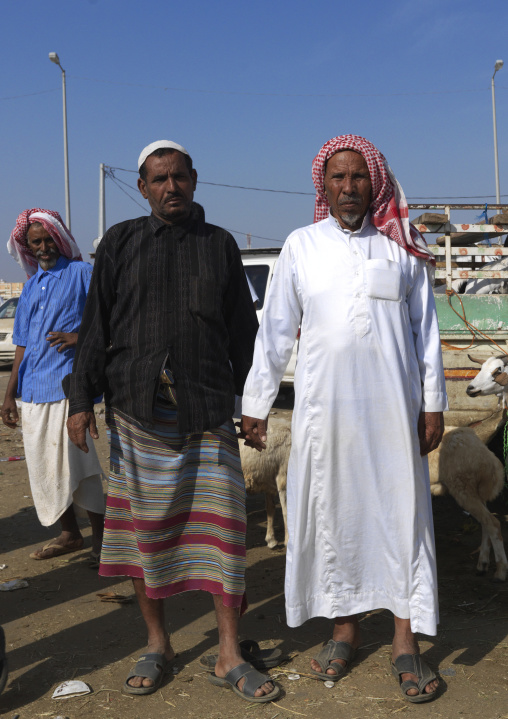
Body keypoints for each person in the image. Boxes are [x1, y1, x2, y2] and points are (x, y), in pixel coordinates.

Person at [64, 141, 279, 702]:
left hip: (207, 411)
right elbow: (95, 325)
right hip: (135, 412)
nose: (170, 187)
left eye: (178, 177)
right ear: (142, 188)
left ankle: (229, 650)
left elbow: (242, 334)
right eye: (158, 180)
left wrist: (253, 404)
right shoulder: (120, 243)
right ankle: (158, 643)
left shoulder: (220, 246)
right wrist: (80, 399)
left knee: (225, 535)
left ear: (194, 179)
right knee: (143, 536)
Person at [241, 135, 447, 703]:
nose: (348, 187)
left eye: (358, 177)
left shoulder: (402, 248)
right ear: (322, 186)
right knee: (334, 516)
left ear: (374, 182)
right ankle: (345, 631)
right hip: (323, 416)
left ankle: (405, 642)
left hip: (392, 413)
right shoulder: (301, 246)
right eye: (338, 178)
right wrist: (255, 404)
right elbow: (275, 331)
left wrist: (433, 406)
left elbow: (426, 336)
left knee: (401, 516)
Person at [1, 209, 105, 562]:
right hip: (32, 391)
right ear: (27, 247)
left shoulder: (81, 274)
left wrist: (80, 337)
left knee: (81, 468)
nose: (43, 247)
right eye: (35, 242)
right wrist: (9, 394)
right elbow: (23, 342)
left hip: (68, 388)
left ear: (59, 239)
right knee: (44, 466)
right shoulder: (30, 287)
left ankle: (102, 545)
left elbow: (108, 315)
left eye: (48, 240)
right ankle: (69, 534)